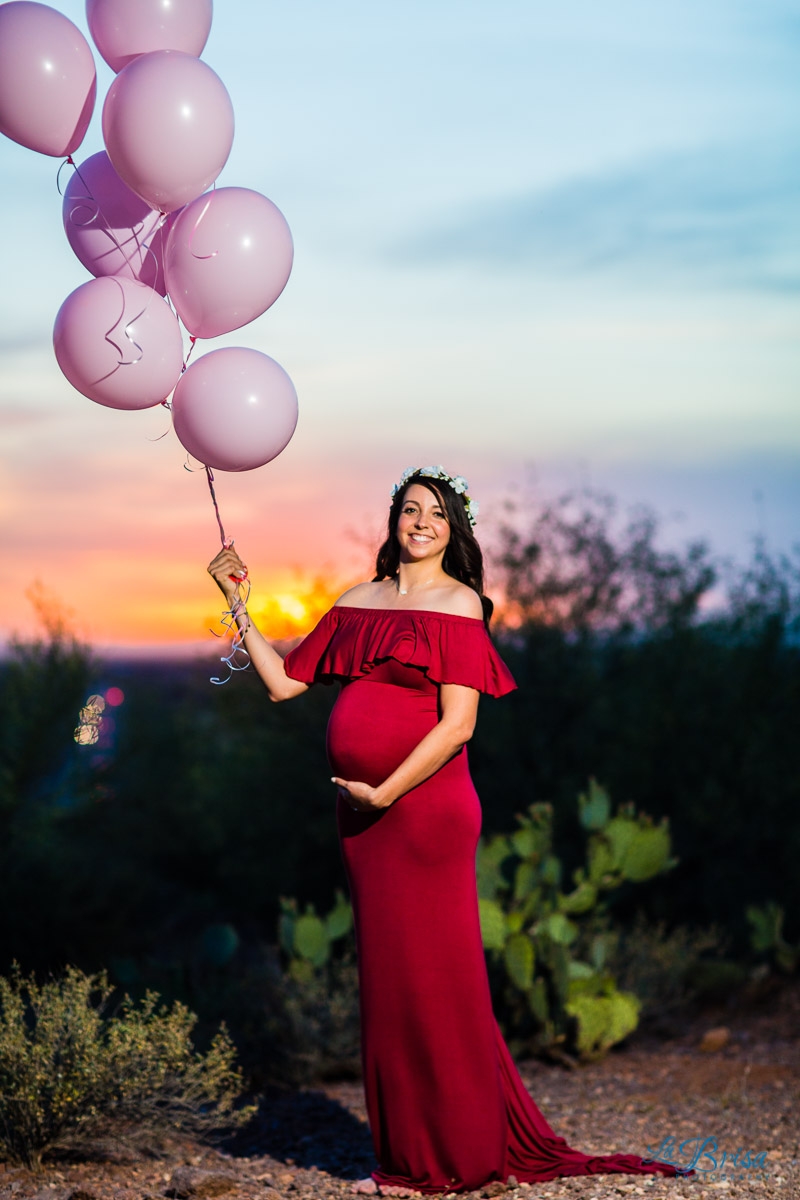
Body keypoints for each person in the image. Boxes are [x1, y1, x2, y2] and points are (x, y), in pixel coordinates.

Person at [207, 466, 686, 1197]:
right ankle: (406, 1159)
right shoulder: (356, 600)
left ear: (454, 530)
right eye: (409, 509)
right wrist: (238, 603)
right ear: (392, 519)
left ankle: (459, 1159)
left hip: (422, 811)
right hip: (363, 814)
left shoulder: (459, 604)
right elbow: (282, 684)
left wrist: (386, 792)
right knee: (391, 984)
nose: (420, 521)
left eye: (435, 512)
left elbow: (458, 725)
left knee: (438, 981)